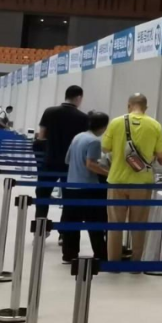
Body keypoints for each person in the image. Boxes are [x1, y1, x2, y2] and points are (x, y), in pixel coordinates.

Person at [101, 93, 162, 262]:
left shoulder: (116, 122)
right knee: (139, 225)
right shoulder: (155, 125)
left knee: (114, 225)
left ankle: (114, 263)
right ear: (146, 107)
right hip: (142, 182)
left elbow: (105, 148)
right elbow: (161, 156)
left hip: (117, 180)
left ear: (128, 105)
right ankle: (135, 263)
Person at [61, 112, 110, 265]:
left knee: (72, 223)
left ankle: (69, 254)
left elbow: (67, 159)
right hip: (89, 188)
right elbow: (91, 164)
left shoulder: (78, 137)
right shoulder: (94, 141)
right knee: (95, 223)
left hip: (71, 185)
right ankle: (100, 254)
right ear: (103, 126)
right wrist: (109, 174)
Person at [36, 87, 89, 220]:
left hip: (49, 161)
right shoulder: (83, 118)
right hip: (71, 164)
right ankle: (64, 230)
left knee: (43, 194)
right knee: (69, 198)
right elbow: (83, 142)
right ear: (79, 98)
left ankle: (40, 226)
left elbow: (41, 137)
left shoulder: (49, 111)